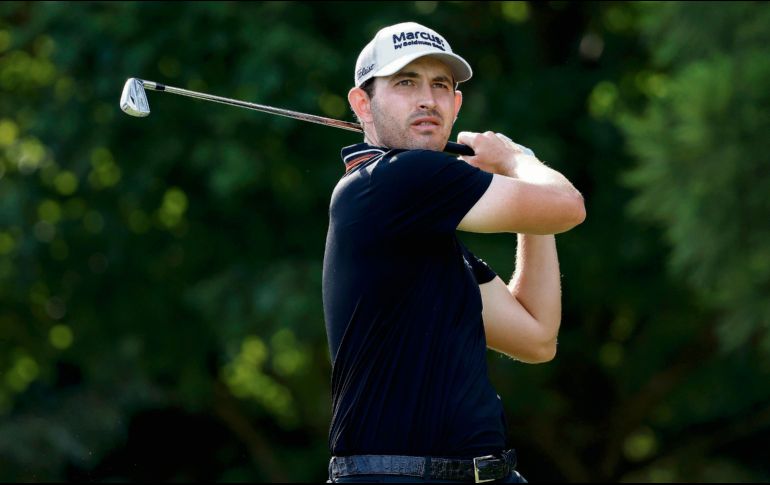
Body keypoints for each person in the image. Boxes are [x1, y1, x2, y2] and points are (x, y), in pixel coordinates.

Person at [323, 22, 585, 483]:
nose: (427, 98)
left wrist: (529, 206)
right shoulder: (395, 179)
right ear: (362, 104)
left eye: (440, 85)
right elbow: (568, 207)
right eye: (406, 82)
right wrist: (515, 158)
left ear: (456, 104)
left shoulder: (423, 230)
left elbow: (537, 337)